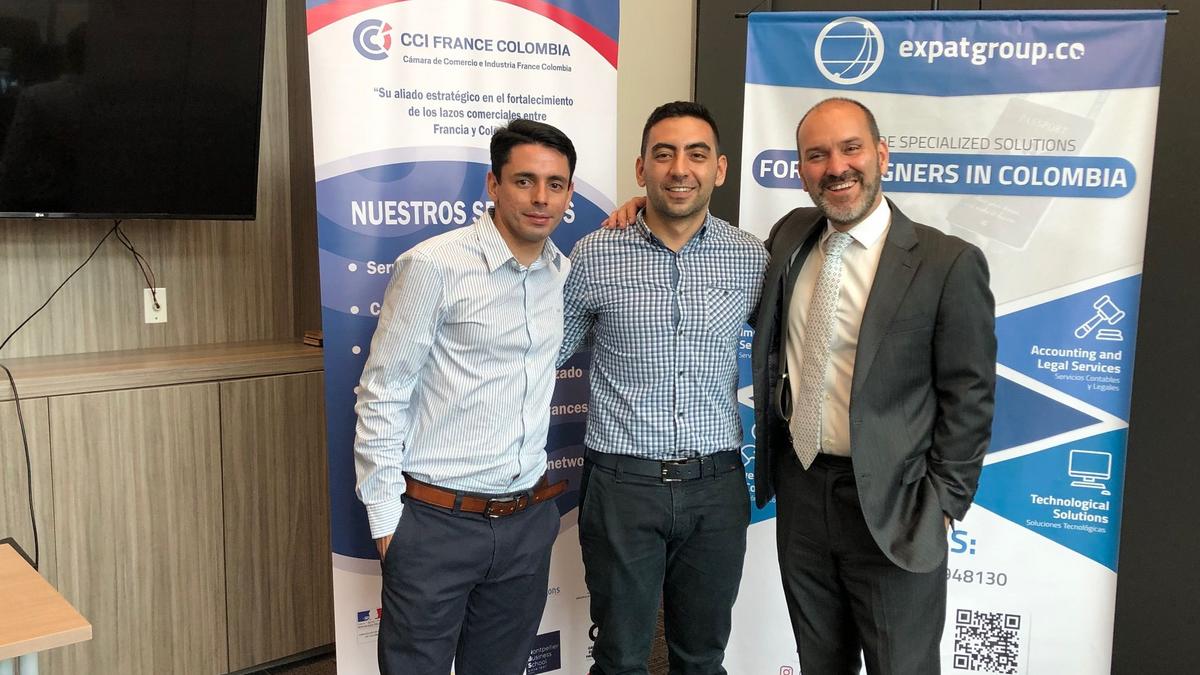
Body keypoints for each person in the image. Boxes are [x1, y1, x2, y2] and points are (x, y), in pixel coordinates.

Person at [752, 97, 996, 674]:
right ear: (801, 170)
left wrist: (942, 503)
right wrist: (647, 213)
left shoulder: (947, 263)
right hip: (803, 491)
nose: (836, 167)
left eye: (851, 148)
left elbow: (970, 394)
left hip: (896, 505)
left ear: (881, 154)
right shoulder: (789, 236)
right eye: (817, 155)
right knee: (820, 663)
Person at [353, 118, 574, 675]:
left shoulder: (560, 273)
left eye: (555, 184)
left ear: (569, 193)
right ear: (493, 185)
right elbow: (382, 392)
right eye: (524, 181)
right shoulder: (434, 265)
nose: (541, 198)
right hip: (435, 524)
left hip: (526, 520)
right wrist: (386, 520)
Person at [560, 101, 768, 674]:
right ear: (641, 168)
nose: (680, 168)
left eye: (696, 154)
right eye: (664, 154)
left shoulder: (750, 257)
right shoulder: (595, 254)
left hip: (716, 488)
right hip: (622, 486)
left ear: (719, 169)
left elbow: (796, 346)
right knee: (621, 659)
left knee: (702, 658)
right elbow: (542, 354)